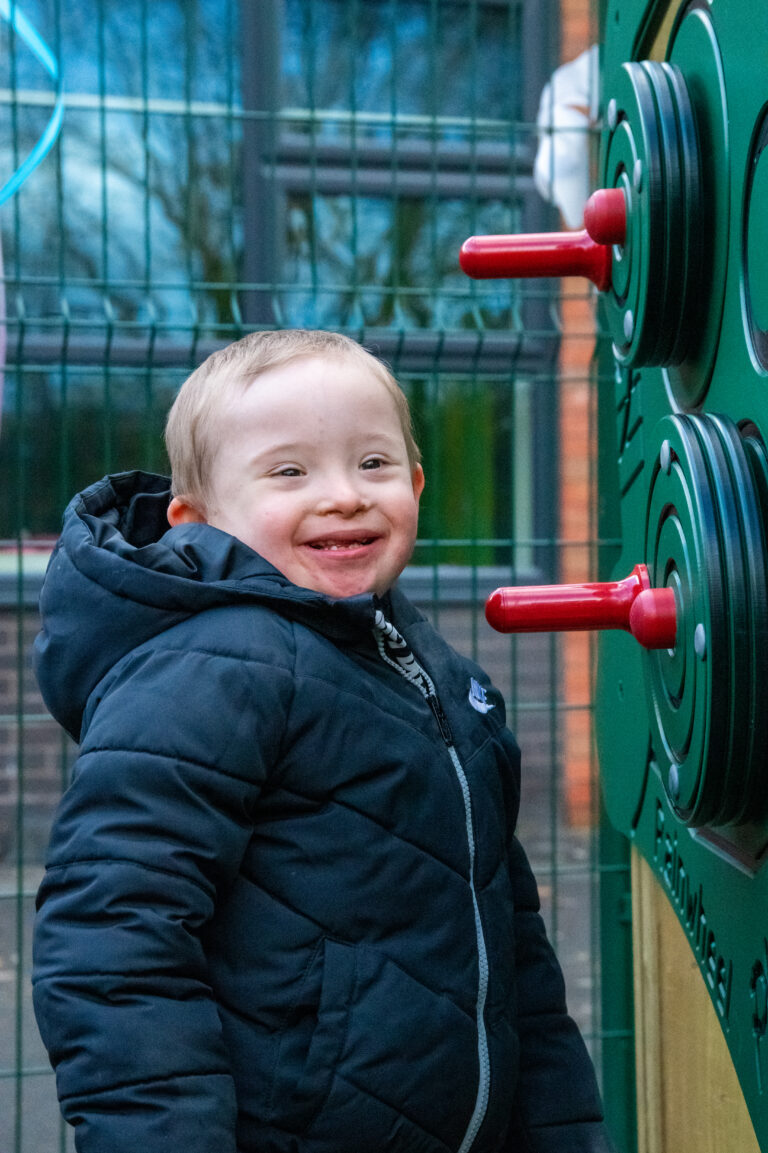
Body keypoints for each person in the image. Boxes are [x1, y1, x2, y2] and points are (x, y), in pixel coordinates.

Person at [32, 329, 616, 1153]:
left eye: (373, 464)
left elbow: (516, 951)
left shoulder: (436, 672)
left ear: (416, 481)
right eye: (289, 471)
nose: (344, 495)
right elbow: (114, 937)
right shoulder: (212, 669)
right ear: (197, 519)